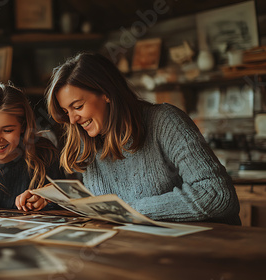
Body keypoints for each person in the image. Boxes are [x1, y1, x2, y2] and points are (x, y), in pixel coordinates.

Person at [45, 52, 241, 225]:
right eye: (65, 111)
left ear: (106, 93)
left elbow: (217, 194)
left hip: (204, 246)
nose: (72, 119)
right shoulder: (87, 141)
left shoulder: (165, 121)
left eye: (78, 106)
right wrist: (53, 197)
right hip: (141, 247)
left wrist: (129, 210)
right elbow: (103, 207)